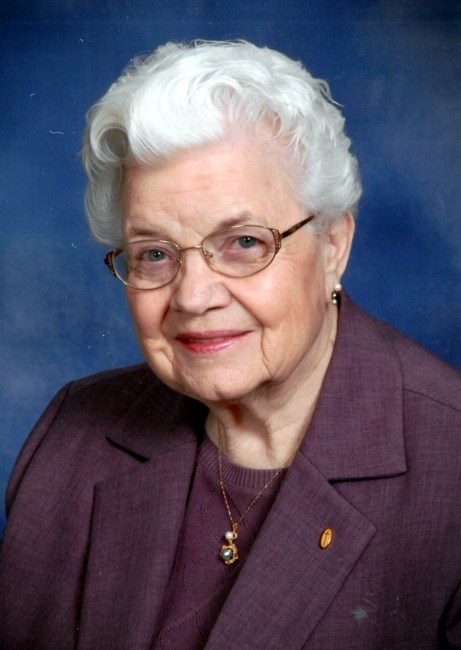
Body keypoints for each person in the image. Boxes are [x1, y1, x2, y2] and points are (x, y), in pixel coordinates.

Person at [0, 40, 460, 650]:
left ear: (333, 246)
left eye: (244, 242)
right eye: (154, 253)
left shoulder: (450, 468)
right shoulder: (72, 436)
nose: (194, 297)